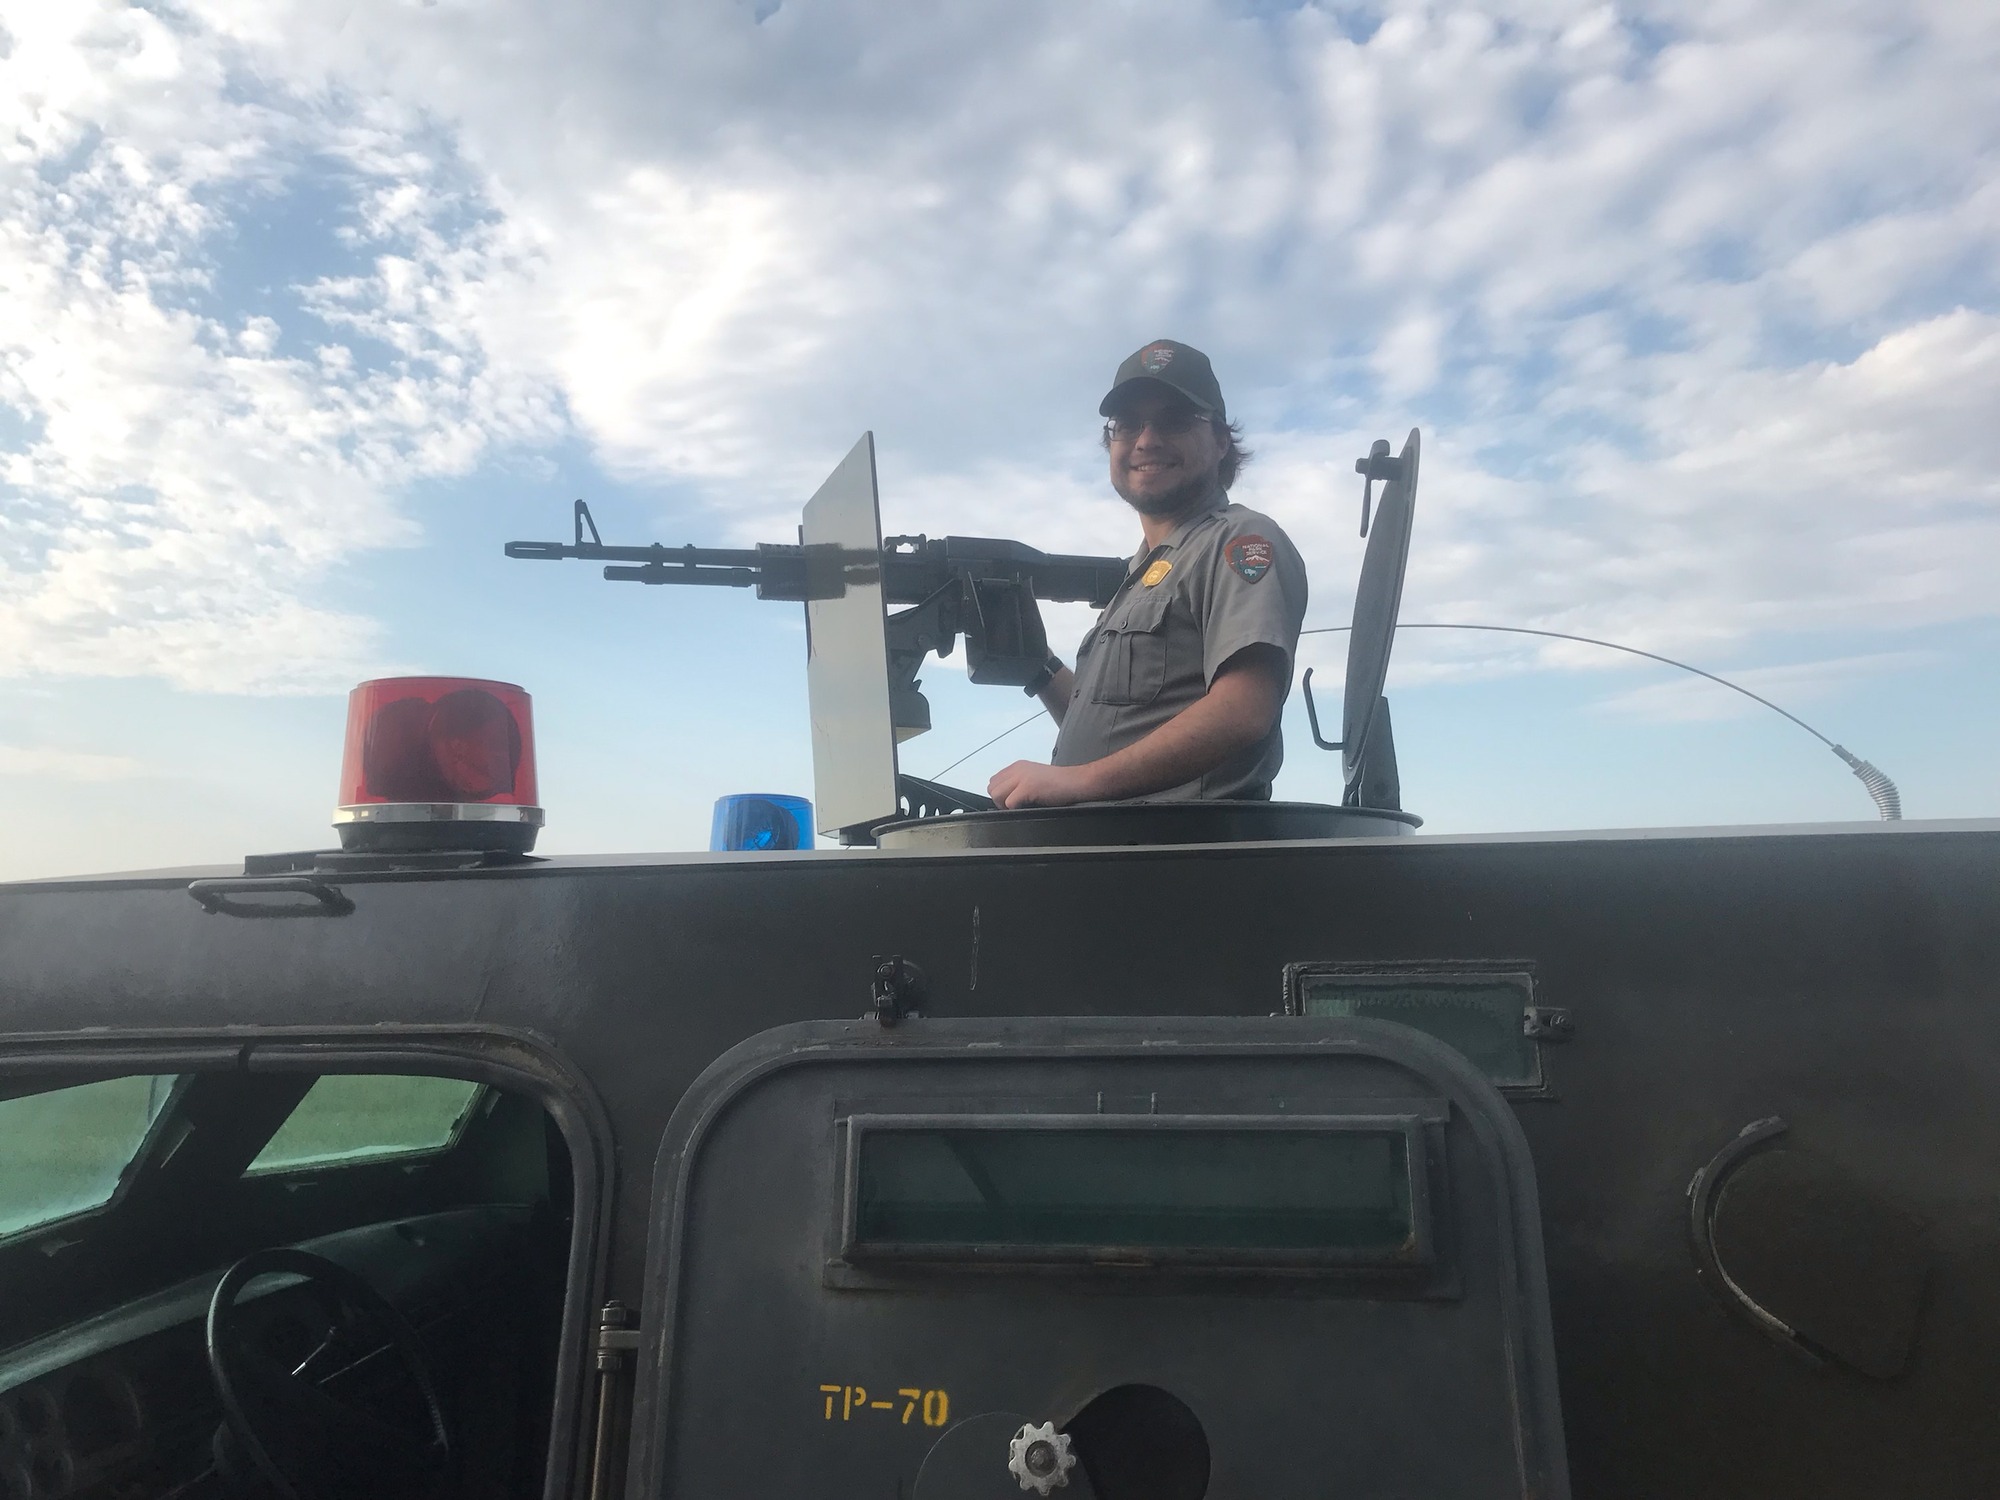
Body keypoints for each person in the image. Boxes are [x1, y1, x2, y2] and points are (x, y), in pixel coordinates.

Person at [988, 340, 1307, 809]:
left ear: (1221, 441)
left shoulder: (1240, 539)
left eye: (1174, 420)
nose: (1146, 439)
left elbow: (1244, 708)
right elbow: (1121, 726)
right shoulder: (1145, 570)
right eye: (1128, 424)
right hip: (1125, 854)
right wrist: (1039, 668)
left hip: (1182, 858)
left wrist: (1080, 783)